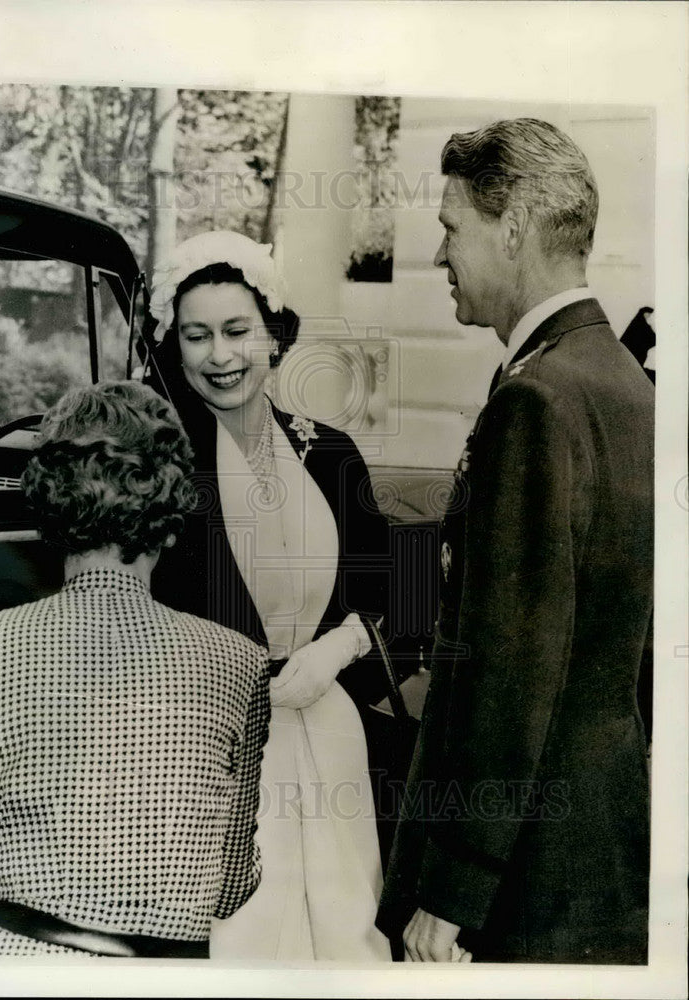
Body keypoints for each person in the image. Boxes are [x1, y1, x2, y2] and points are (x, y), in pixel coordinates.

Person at [376, 118, 653, 964]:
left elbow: (513, 669)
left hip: (520, 880)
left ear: (517, 223)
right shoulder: (621, 382)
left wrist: (453, 891)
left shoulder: (536, 400)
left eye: (452, 228)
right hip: (593, 849)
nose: (440, 256)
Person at [146, 231, 392, 960]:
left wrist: (339, 648)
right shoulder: (160, 466)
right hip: (206, 748)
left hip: (330, 733)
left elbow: (398, 594)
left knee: (344, 926)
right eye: (197, 336)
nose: (219, 356)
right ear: (175, 346)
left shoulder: (333, 455)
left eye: (236, 331)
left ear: (275, 334)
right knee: (243, 936)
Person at [0, 381, 270, 958]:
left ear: (44, 500)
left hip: (9, 966)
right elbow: (231, 887)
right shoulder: (240, 663)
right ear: (171, 507)